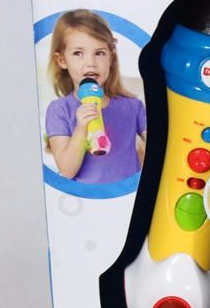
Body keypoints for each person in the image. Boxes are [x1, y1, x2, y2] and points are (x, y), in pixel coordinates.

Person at [46, 10, 146, 183]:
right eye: (78, 53)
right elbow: (66, 171)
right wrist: (81, 128)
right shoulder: (59, 109)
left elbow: (161, 151)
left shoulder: (133, 106)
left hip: (129, 195)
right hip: (84, 198)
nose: (90, 63)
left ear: (111, 58)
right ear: (62, 60)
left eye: (99, 53)